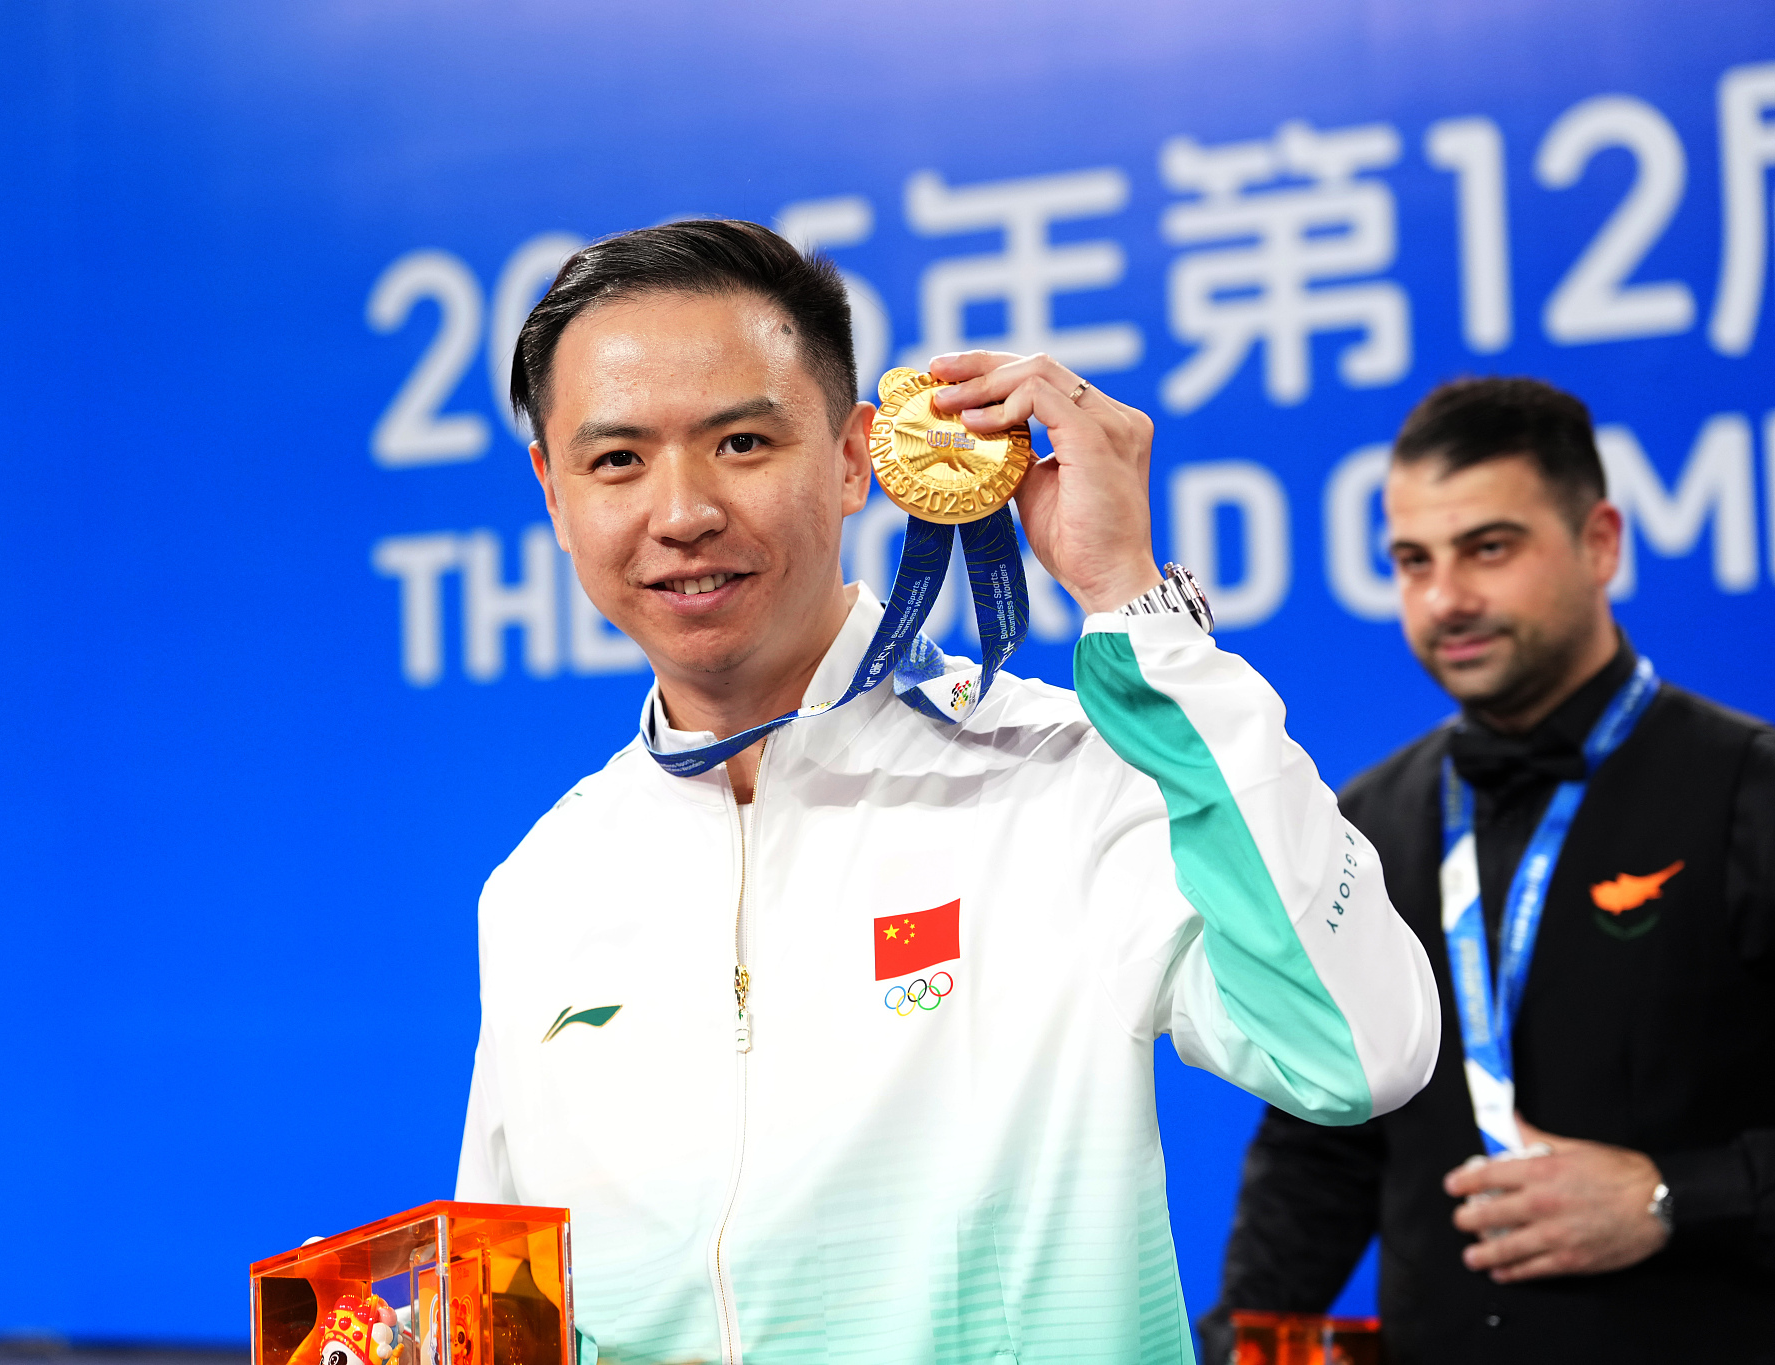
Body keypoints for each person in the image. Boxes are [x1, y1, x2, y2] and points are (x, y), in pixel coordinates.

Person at [454, 218, 1439, 1363]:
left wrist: (1133, 607)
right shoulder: (545, 883)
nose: (680, 513)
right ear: (554, 492)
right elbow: (510, 1305)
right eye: (615, 459)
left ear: (853, 455)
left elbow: (1357, 1051)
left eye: (738, 443)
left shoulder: (1064, 778)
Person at [1200, 377, 1775, 1364]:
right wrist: (1231, 1341)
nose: (1444, 600)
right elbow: (1318, 1148)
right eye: (1410, 562)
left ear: (1599, 542)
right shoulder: (1365, 821)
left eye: (1488, 549)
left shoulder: (1744, 789)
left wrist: (1670, 1196)